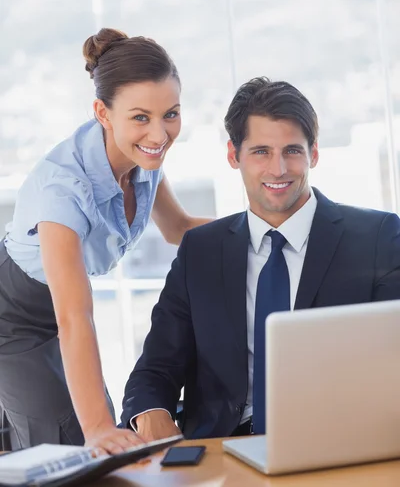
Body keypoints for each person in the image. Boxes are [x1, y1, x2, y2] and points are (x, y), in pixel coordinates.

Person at [121, 76, 400, 441]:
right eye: (261, 152)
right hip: (224, 447)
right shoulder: (200, 252)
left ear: (314, 153)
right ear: (233, 156)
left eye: (292, 151)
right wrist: (152, 413)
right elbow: (156, 368)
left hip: (339, 442)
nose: (278, 169)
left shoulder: (378, 237)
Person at [0, 28, 212, 453]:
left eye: (170, 114)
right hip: (13, 317)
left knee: (100, 441)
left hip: (59, 305)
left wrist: (261, 227)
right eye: (140, 117)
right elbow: (75, 319)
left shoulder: (142, 157)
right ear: (102, 112)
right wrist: (96, 428)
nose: (159, 134)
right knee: (74, 445)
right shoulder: (62, 190)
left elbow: (178, 227)